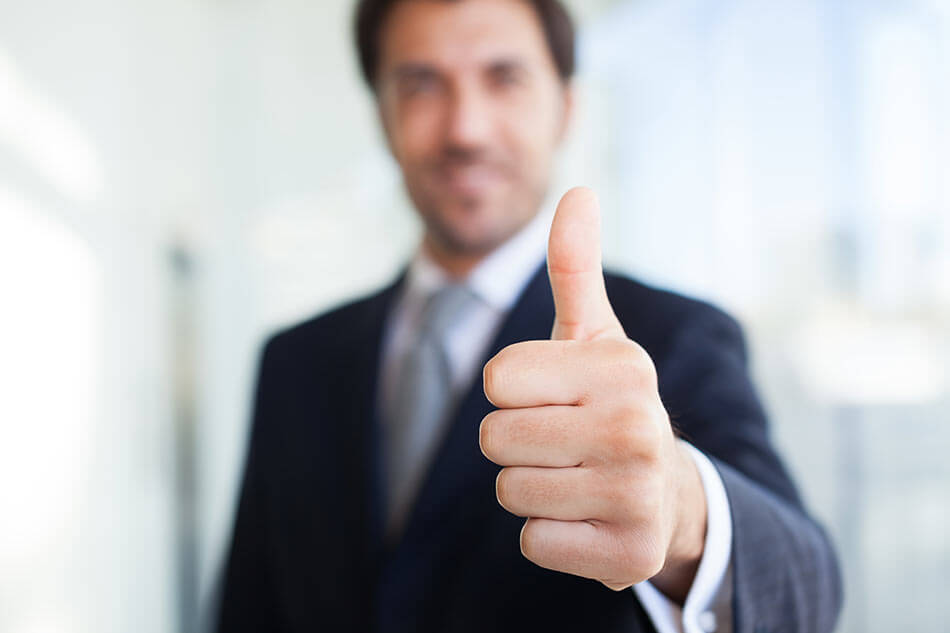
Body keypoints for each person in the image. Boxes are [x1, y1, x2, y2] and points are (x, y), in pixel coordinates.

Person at [215, 1, 843, 631]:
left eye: (504, 78)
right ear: (382, 116)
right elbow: (248, 607)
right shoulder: (295, 360)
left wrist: (681, 512)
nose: (467, 129)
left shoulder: (672, 337)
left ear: (566, 108)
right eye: (421, 84)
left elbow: (806, 590)